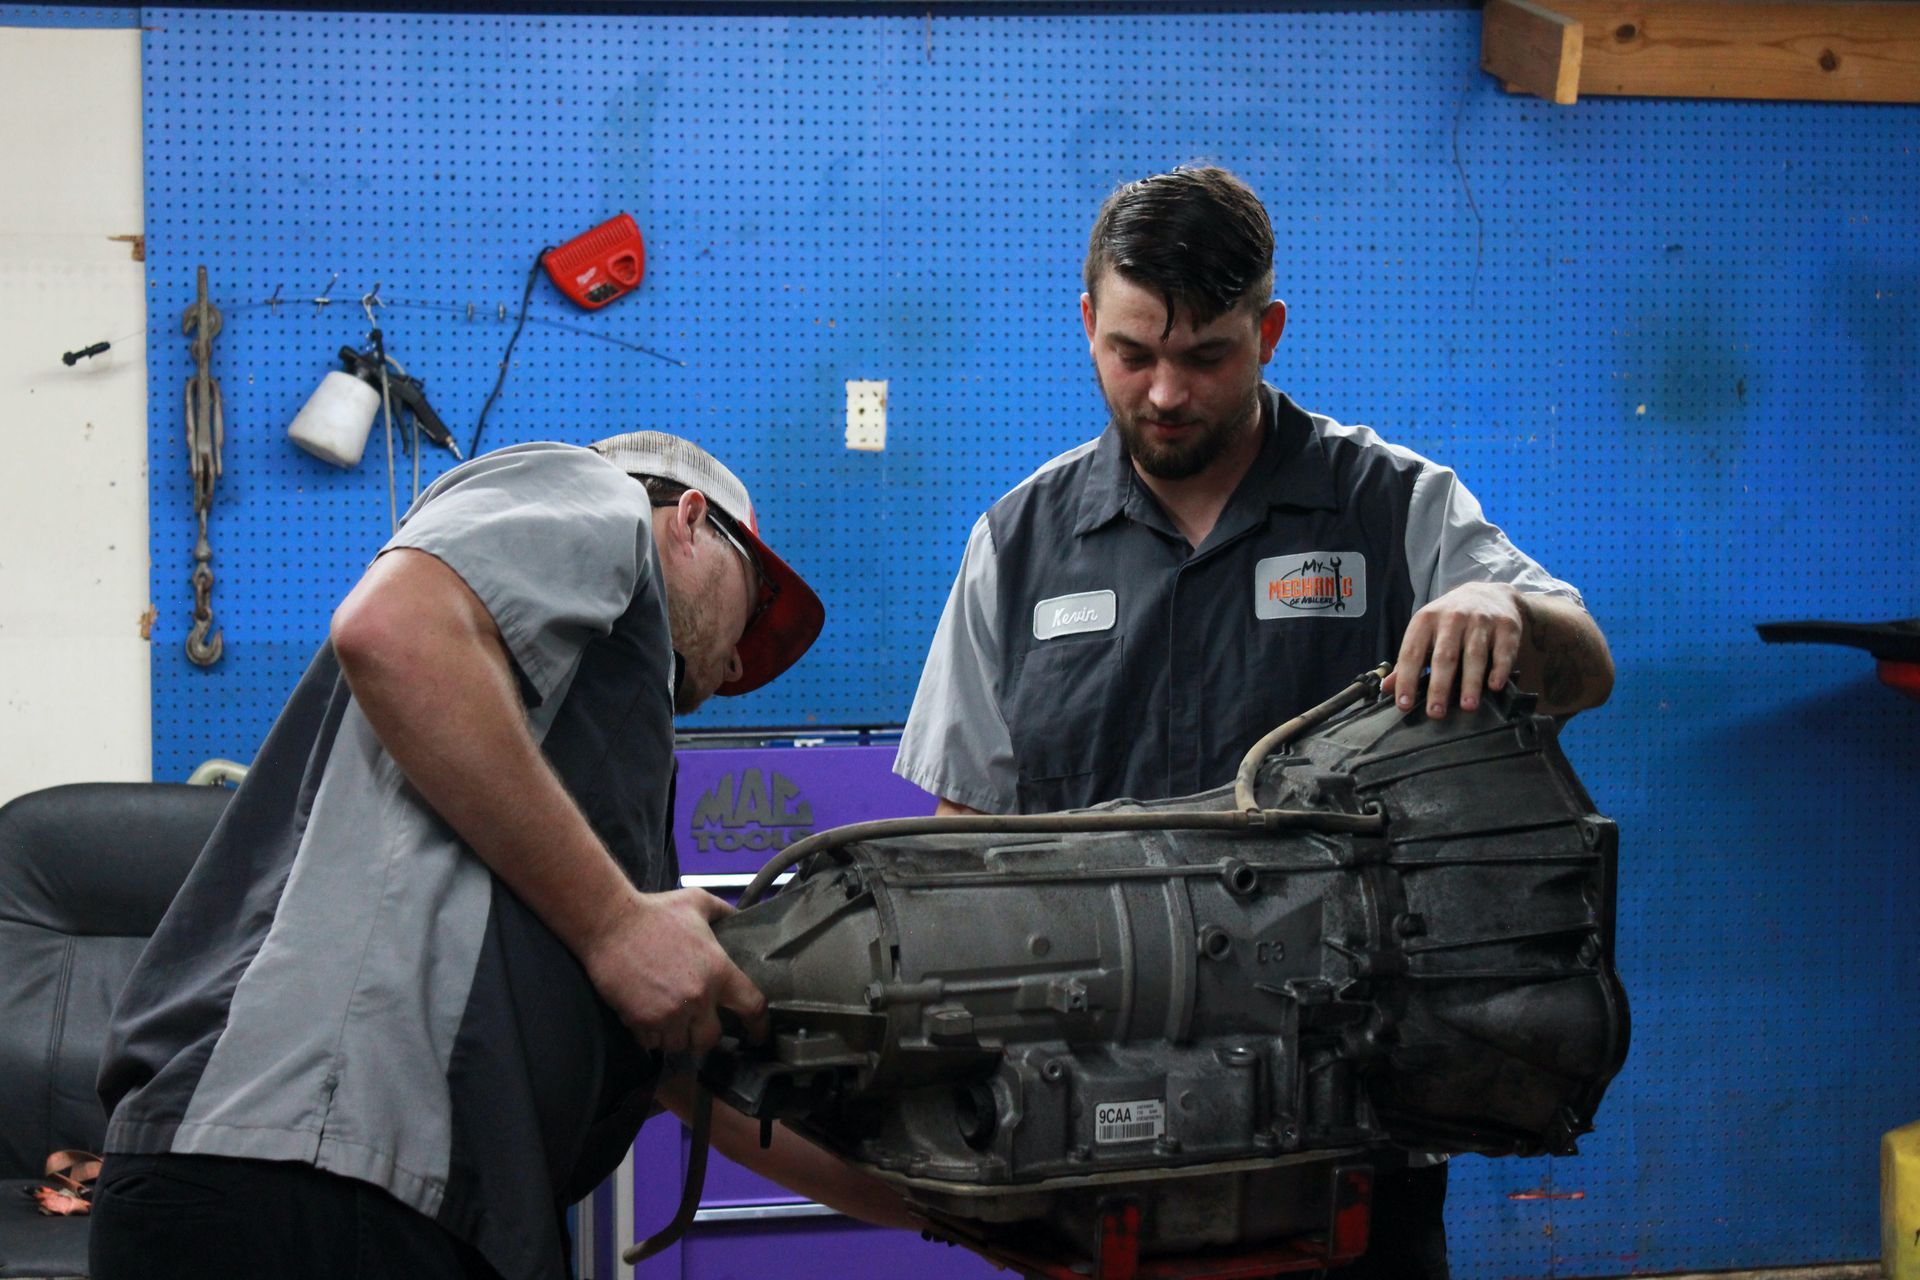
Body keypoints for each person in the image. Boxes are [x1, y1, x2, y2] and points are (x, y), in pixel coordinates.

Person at [893, 166, 1615, 1278]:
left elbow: (1585, 667)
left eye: (1206, 355)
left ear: (1268, 331)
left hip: (1350, 1151)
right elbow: (960, 838)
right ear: (1088, 324)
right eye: (1133, 353)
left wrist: (1502, 603)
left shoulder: (1391, 504)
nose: (1167, 392)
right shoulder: (1015, 545)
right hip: (1096, 1152)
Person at [91, 433, 913, 1280]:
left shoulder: (598, 782)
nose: (742, 659)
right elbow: (394, 630)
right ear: (693, 523)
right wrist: (615, 926)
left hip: (425, 1201)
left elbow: (689, 1067)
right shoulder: (598, 496)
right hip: (314, 1174)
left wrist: (957, 1216)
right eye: (755, 602)